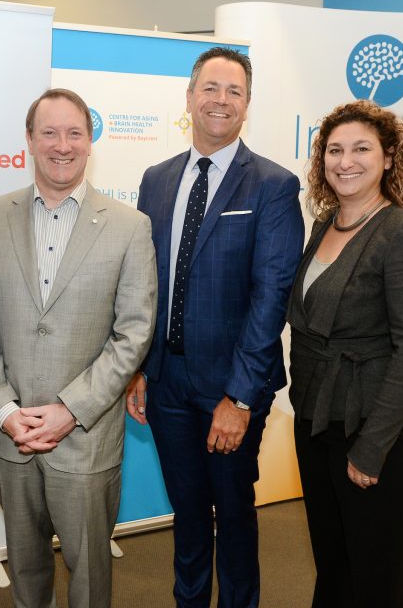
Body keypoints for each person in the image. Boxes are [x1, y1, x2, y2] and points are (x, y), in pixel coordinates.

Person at [0, 88, 157, 608]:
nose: (62, 145)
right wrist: (3, 409)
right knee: (25, 567)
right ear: (29, 139)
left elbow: (133, 333)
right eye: (49, 132)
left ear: (90, 141)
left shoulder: (130, 226)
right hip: (11, 434)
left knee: (89, 573)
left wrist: (70, 411)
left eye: (74, 132)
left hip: (86, 437)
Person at [126, 47, 304, 608]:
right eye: (210, 88)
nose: (220, 100)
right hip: (165, 383)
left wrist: (240, 397)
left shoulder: (273, 185)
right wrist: (138, 368)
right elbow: (144, 283)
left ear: (247, 104)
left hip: (230, 386)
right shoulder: (156, 180)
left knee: (232, 514)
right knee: (187, 514)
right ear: (189, 97)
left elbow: (270, 298)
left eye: (233, 91)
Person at [287, 100, 403, 608]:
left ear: (388, 157)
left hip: (380, 430)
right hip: (319, 421)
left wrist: (372, 446)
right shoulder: (325, 225)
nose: (345, 161)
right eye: (334, 150)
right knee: (333, 564)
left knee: (375, 574)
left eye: (361, 148)